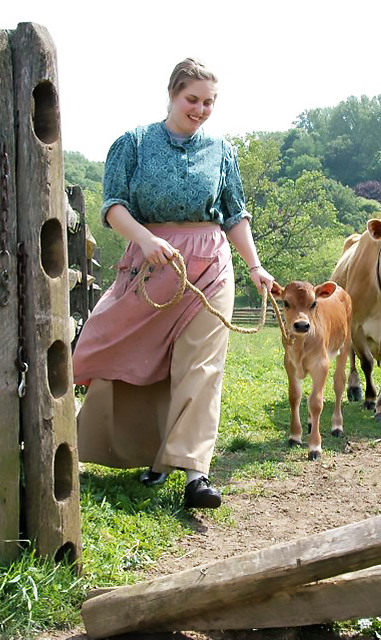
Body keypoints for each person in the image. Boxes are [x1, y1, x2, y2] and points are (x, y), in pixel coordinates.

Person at [72, 58, 273, 509]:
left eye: (209, 102)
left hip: (210, 264)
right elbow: (113, 206)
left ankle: (195, 474)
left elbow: (235, 213)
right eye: (192, 99)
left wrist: (256, 267)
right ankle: (146, 453)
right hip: (151, 263)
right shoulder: (134, 143)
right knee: (128, 355)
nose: (201, 109)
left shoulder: (222, 151)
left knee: (201, 365)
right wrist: (144, 240)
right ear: (172, 93)